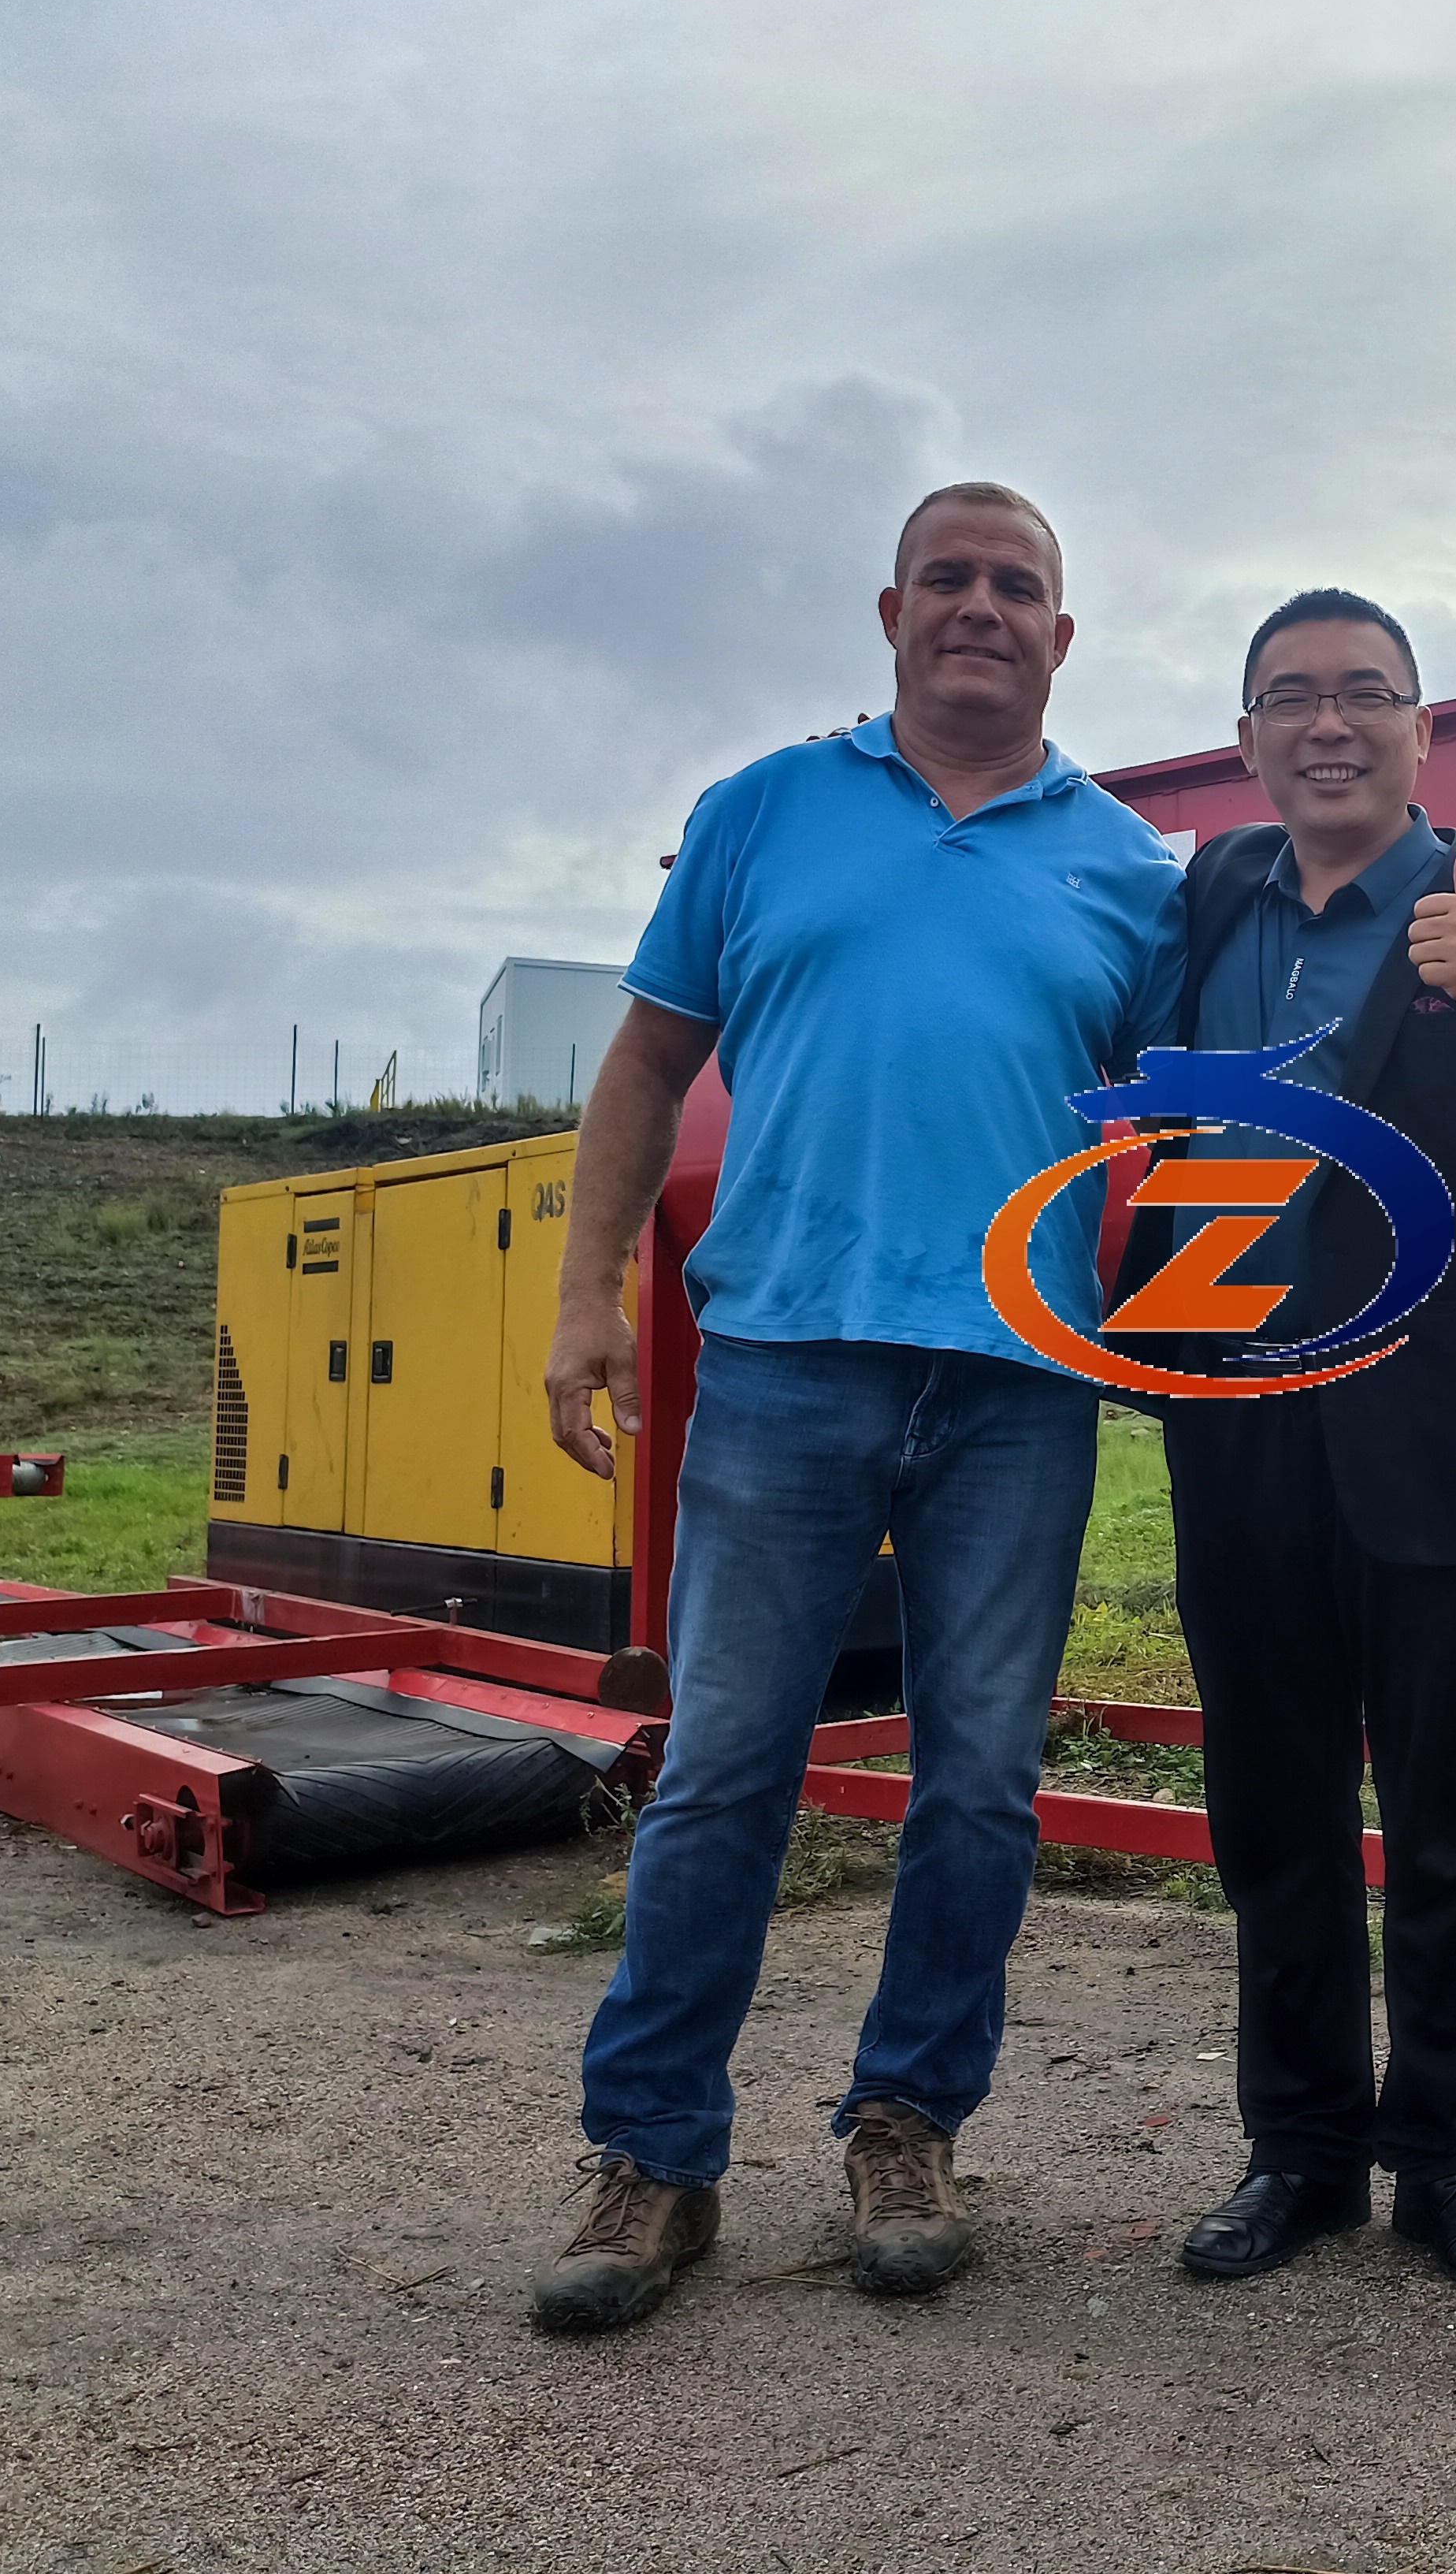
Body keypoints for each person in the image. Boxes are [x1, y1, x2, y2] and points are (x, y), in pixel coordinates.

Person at [523, 482, 1183, 2334]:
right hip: (785, 1367)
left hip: (1019, 1386)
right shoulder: (761, 813)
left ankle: (908, 2122)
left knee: (978, 1779)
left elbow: (1205, 1120)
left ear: (1065, 638)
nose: (982, 608)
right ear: (890, 610)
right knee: (724, 1771)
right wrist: (591, 1293)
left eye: (1020, 587)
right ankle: (653, 2154)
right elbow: (647, 1064)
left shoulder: (1128, 866)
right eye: (951, 580)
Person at [1115, 588, 1456, 2297]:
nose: (1326, 725)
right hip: (1239, 1423)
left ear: (1425, 730)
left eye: (1362, 696)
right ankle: (1301, 2149)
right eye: (1289, 699)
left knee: (1447, 1814)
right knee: (1270, 1809)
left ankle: (1446, 2159)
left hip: (1434, 1427)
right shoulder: (1197, 906)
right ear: (1248, 737)